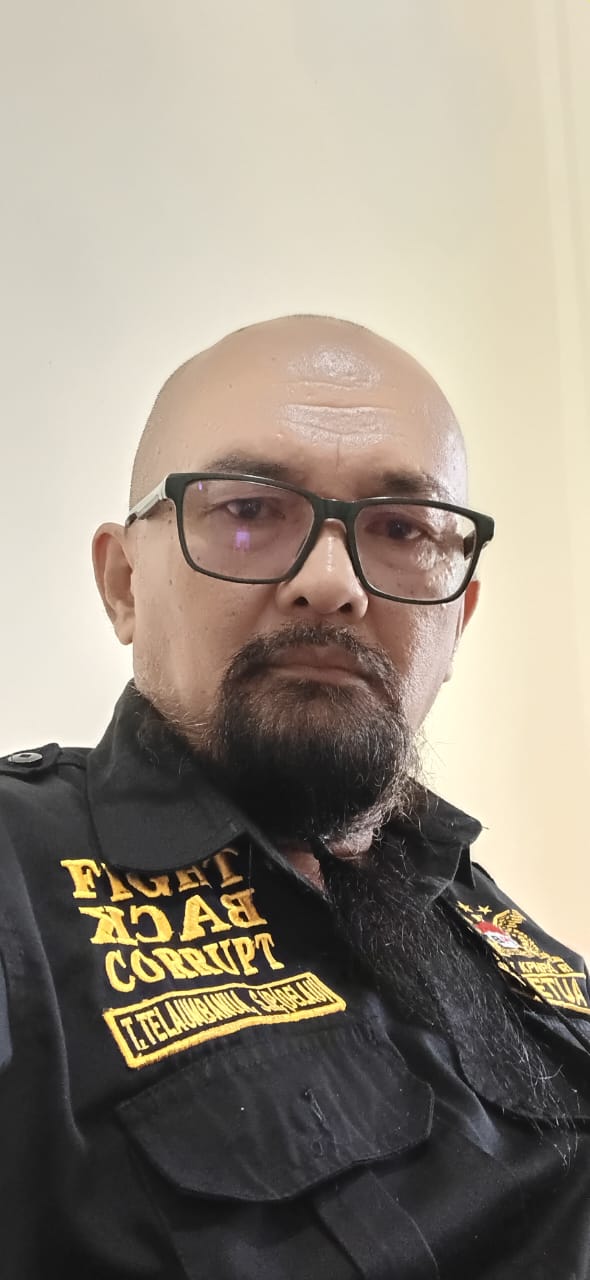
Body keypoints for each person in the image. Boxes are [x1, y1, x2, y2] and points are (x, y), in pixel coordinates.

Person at [0, 314, 589, 1280]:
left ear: (457, 619)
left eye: (401, 529)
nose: (331, 583)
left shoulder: (483, 912)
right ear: (124, 584)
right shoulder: (17, 883)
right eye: (248, 509)